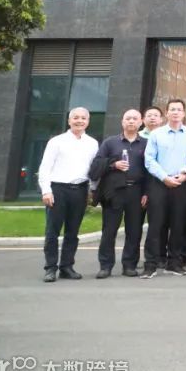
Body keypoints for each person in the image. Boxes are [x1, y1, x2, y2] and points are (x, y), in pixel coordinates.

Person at [39, 107, 99, 282]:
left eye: (83, 118)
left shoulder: (92, 143)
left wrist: (92, 189)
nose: (79, 121)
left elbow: (93, 169)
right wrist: (46, 190)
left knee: (73, 232)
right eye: (76, 118)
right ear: (69, 120)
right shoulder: (57, 141)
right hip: (58, 189)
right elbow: (45, 167)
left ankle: (67, 267)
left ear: (88, 121)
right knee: (52, 231)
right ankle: (50, 268)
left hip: (80, 190)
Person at [142, 99, 186, 279]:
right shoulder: (156, 134)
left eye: (179, 110)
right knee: (155, 225)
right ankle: (150, 265)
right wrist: (164, 177)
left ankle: (174, 263)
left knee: (178, 225)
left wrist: (185, 176)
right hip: (160, 183)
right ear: (166, 113)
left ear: (184, 113)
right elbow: (149, 160)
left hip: (180, 184)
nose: (175, 112)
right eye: (172, 109)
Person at [89, 109, 147, 279]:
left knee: (134, 231)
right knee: (109, 230)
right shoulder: (110, 142)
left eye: (135, 118)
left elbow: (150, 170)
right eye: (128, 118)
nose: (131, 121)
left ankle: (129, 265)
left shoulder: (146, 144)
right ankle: (105, 266)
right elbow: (96, 166)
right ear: (122, 121)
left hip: (137, 191)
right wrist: (113, 165)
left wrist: (147, 193)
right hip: (114, 192)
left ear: (140, 122)